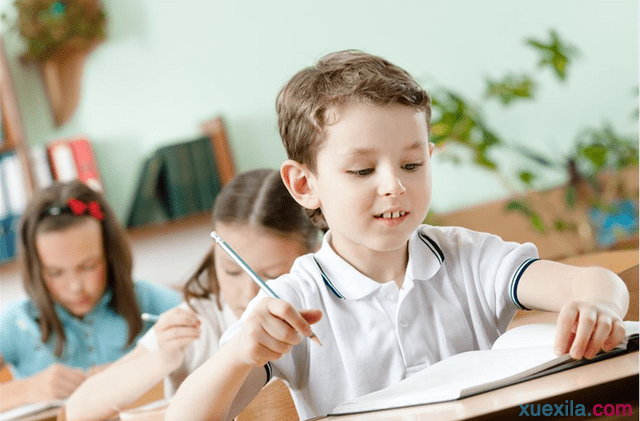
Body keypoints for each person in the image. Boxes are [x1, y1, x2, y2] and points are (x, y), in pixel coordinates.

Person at [165, 50, 630, 421]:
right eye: (362, 169)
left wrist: (600, 307)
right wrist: (239, 354)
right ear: (305, 185)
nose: (394, 185)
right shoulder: (293, 301)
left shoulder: (470, 258)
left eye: (412, 164)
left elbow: (595, 282)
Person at [65, 168, 320, 421]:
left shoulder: (325, 309)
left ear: (312, 256)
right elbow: (78, 410)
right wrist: (161, 358)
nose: (248, 293)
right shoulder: (200, 321)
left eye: (271, 276)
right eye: (232, 271)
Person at [0, 180, 180, 409]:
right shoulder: (15, 321)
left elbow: (217, 350)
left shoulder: (148, 300)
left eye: (88, 266)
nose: (75, 287)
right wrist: (29, 389)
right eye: (55, 273)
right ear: (36, 269)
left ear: (109, 253)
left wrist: (137, 371)